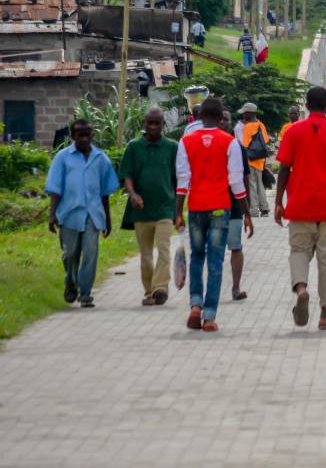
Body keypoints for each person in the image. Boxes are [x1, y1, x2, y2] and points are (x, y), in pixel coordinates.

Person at [275, 87, 326, 331]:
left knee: (299, 252)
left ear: (306, 105)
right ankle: (324, 314)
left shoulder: (293, 132)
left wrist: (279, 202)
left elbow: (283, 170)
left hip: (300, 206)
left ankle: (301, 288)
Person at [175, 98, 254, 332]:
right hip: (221, 208)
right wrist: (247, 213)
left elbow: (182, 181)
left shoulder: (185, 142)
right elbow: (237, 183)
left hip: (196, 207)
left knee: (197, 257)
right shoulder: (230, 143)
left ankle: (195, 306)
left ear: (199, 117)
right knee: (216, 262)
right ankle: (209, 316)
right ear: (221, 119)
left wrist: (178, 212)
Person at [45, 119, 119, 308]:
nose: (85, 138)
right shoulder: (63, 157)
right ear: (73, 136)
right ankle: (71, 282)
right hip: (68, 214)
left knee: (91, 253)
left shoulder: (101, 159)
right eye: (80, 135)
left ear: (92, 135)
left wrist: (107, 220)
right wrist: (52, 215)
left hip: (93, 216)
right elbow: (55, 188)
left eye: (88, 134)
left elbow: (105, 194)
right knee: (70, 253)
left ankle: (85, 293)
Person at [119, 107, 178, 306]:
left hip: (165, 208)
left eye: (157, 123)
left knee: (164, 250)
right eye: (149, 123)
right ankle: (149, 292)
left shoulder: (172, 147)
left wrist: (179, 209)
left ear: (163, 125)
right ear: (144, 124)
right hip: (141, 210)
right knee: (145, 257)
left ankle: (160, 288)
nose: (153, 127)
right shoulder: (134, 147)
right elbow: (126, 175)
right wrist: (133, 195)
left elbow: (178, 179)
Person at [217, 110, 252, 301]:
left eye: (226, 119)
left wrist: (247, 209)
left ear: (231, 123)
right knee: (214, 249)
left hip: (234, 205)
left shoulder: (238, 147)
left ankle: (236, 288)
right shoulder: (209, 145)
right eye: (220, 119)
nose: (223, 122)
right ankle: (213, 286)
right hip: (212, 205)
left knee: (235, 246)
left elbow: (244, 179)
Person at [235, 103, 270, 217]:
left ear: (250, 113)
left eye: (245, 113)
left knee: (252, 185)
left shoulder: (247, 127)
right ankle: (265, 209)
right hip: (260, 160)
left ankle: (254, 210)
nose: (243, 115)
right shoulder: (261, 125)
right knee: (260, 184)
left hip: (250, 159)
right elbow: (266, 140)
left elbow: (244, 145)